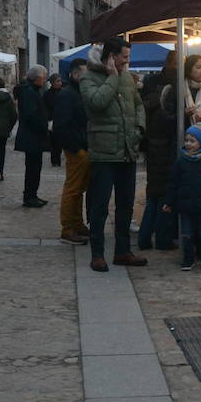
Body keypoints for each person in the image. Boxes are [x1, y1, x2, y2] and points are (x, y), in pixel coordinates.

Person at [81, 37, 146, 272]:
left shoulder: (127, 76)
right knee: (99, 206)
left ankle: (123, 251)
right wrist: (112, 78)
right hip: (104, 152)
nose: (127, 62)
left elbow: (138, 104)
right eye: (124, 57)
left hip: (127, 149)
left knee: (126, 204)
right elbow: (96, 103)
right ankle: (97, 253)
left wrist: (138, 128)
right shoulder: (88, 77)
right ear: (111, 57)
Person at [138, 50, 179, 251]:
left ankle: (145, 238)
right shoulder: (174, 86)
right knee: (163, 196)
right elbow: (169, 120)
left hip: (152, 146)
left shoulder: (152, 84)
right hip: (165, 147)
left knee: (153, 196)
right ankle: (163, 239)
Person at [163, 125, 201, 271]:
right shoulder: (181, 162)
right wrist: (169, 201)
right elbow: (173, 183)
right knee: (187, 234)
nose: (188, 144)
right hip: (186, 205)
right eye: (187, 140)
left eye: (192, 141)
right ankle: (188, 259)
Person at [52, 58, 91, 246]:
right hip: (76, 149)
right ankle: (67, 228)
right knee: (73, 189)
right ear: (75, 74)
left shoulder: (77, 93)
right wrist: (76, 148)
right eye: (85, 73)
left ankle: (77, 223)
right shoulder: (67, 95)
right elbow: (61, 127)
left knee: (78, 189)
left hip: (81, 147)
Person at [162, 53, 201, 138]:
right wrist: (183, 115)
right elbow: (166, 120)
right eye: (198, 67)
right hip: (182, 141)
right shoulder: (177, 90)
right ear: (189, 69)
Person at [14, 65, 50, 207]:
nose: (45, 79)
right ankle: (30, 196)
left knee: (34, 168)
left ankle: (32, 194)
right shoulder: (29, 92)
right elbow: (31, 115)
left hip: (33, 136)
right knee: (33, 168)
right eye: (43, 77)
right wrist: (44, 124)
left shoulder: (31, 91)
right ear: (37, 78)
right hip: (32, 137)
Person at [44, 74, 64, 167]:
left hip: (62, 119)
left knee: (60, 140)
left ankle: (58, 158)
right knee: (53, 141)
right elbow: (45, 107)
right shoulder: (47, 94)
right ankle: (54, 160)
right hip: (51, 120)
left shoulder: (64, 92)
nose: (60, 83)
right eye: (58, 81)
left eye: (60, 81)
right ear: (52, 83)